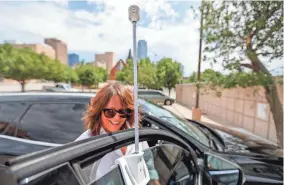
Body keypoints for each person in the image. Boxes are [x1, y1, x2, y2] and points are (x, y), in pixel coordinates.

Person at [75, 82, 160, 185]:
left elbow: (149, 166)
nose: (117, 118)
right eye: (110, 112)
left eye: (123, 112)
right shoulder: (86, 143)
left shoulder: (134, 134)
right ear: (99, 111)